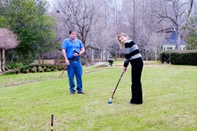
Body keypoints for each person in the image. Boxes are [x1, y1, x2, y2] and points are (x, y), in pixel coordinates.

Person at [117, 32, 143, 104]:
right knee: (136, 81)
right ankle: (137, 100)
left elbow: (127, 56)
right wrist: (125, 66)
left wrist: (124, 66)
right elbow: (128, 56)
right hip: (136, 62)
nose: (122, 41)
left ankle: (136, 100)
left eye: (122, 38)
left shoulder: (128, 42)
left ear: (125, 36)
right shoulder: (129, 42)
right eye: (120, 40)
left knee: (135, 81)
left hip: (137, 63)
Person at [61, 30, 85, 94]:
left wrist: (79, 53)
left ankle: (79, 89)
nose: (73, 35)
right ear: (69, 35)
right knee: (71, 76)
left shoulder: (79, 41)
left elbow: (83, 49)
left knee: (79, 75)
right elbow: (63, 50)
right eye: (72, 34)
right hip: (70, 61)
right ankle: (72, 90)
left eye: (74, 34)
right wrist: (66, 59)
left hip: (77, 61)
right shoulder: (66, 41)